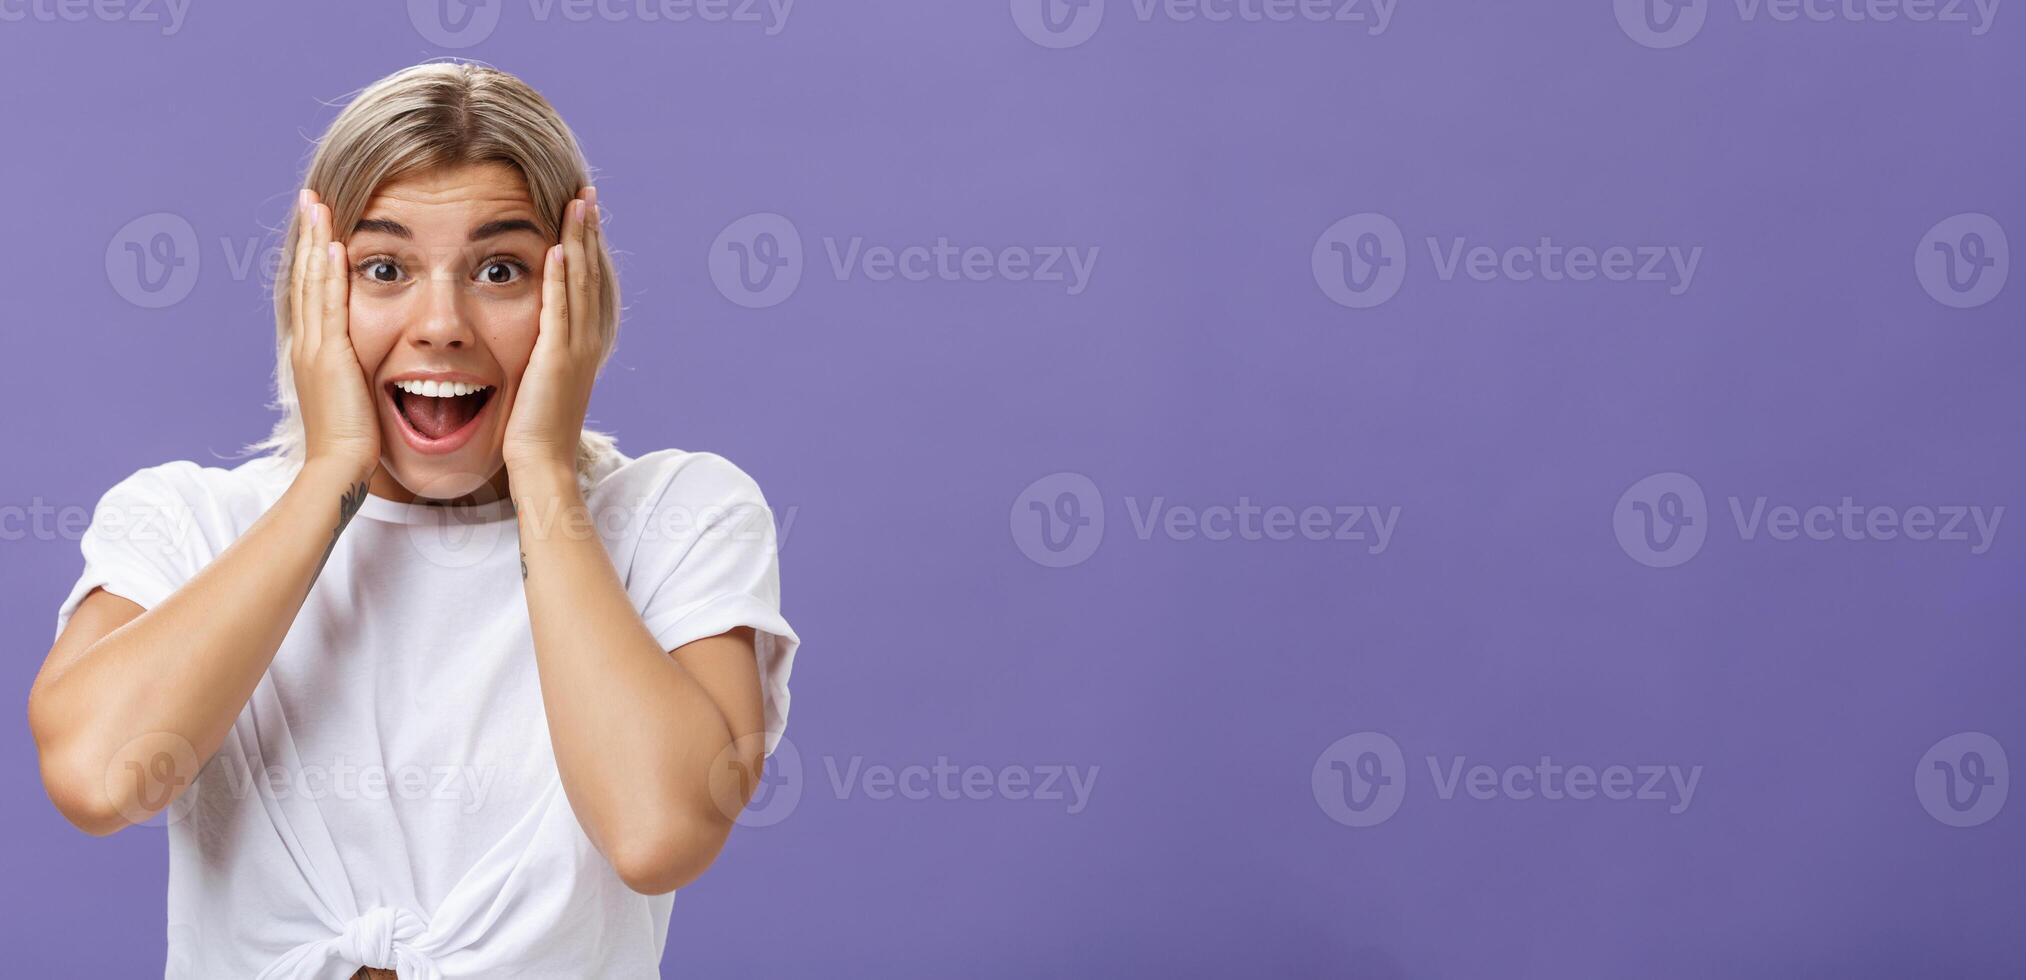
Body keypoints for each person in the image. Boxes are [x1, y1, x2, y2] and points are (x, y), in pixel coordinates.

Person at [27, 61, 800, 979]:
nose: (441, 323)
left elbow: (656, 834)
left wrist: (545, 471)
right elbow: (98, 779)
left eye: (501, 269)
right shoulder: (187, 518)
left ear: (576, 298)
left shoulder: (680, 517)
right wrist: (329, 479)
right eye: (384, 268)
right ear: (311, 294)